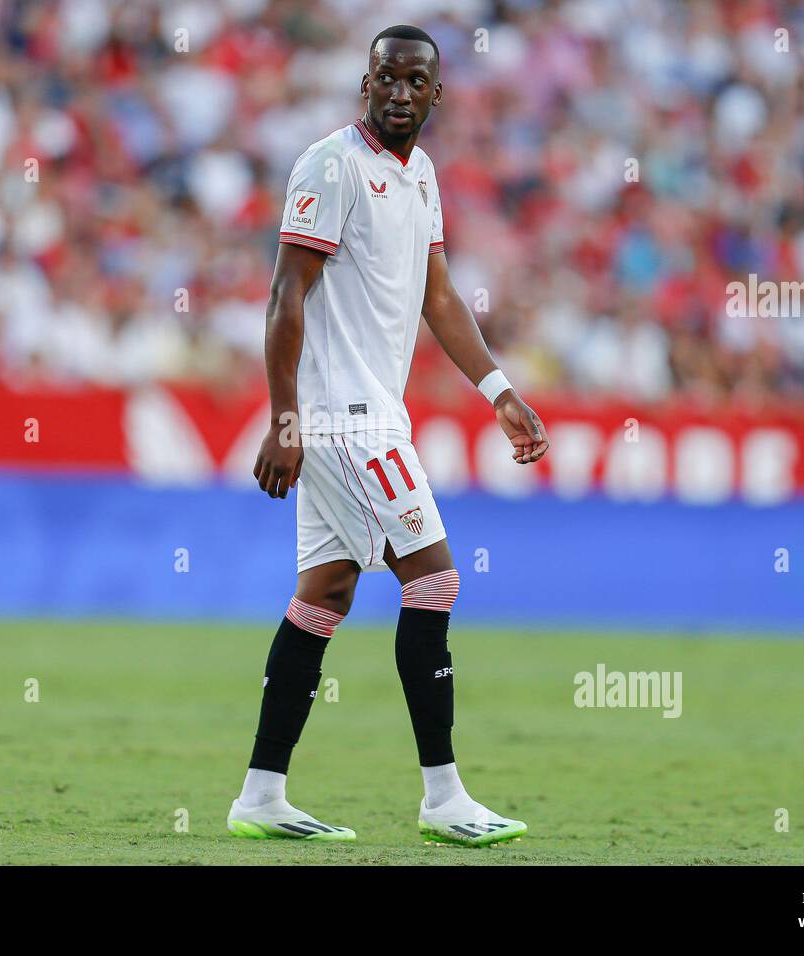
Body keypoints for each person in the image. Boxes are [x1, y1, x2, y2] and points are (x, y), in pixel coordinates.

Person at [228, 24, 548, 847]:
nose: (400, 92)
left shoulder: (421, 175)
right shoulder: (331, 165)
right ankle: (444, 798)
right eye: (386, 78)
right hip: (345, 418)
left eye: (415, 81)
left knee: (324, 596)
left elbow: (439, 295)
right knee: (435, 582)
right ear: (362, 85)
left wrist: (500, 391)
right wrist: (285, 419)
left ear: (436, 93)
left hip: (373, 413)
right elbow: (283, 295)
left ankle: (261, 795)